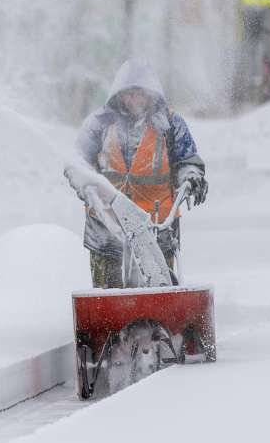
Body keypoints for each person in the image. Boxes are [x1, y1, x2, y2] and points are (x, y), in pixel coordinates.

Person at [75, 60, 207, 288]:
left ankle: (158, 321)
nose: (135, 100)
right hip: (106, 225)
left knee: (159, 290)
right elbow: (76, 161)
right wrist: (84, 183)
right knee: (107, 297)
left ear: (152, 95)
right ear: (119, 95)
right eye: (130, 94)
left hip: (156, 226)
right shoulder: (99, 123)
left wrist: (191, 177)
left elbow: (187, 160)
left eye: (141, 94)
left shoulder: (170, 125)